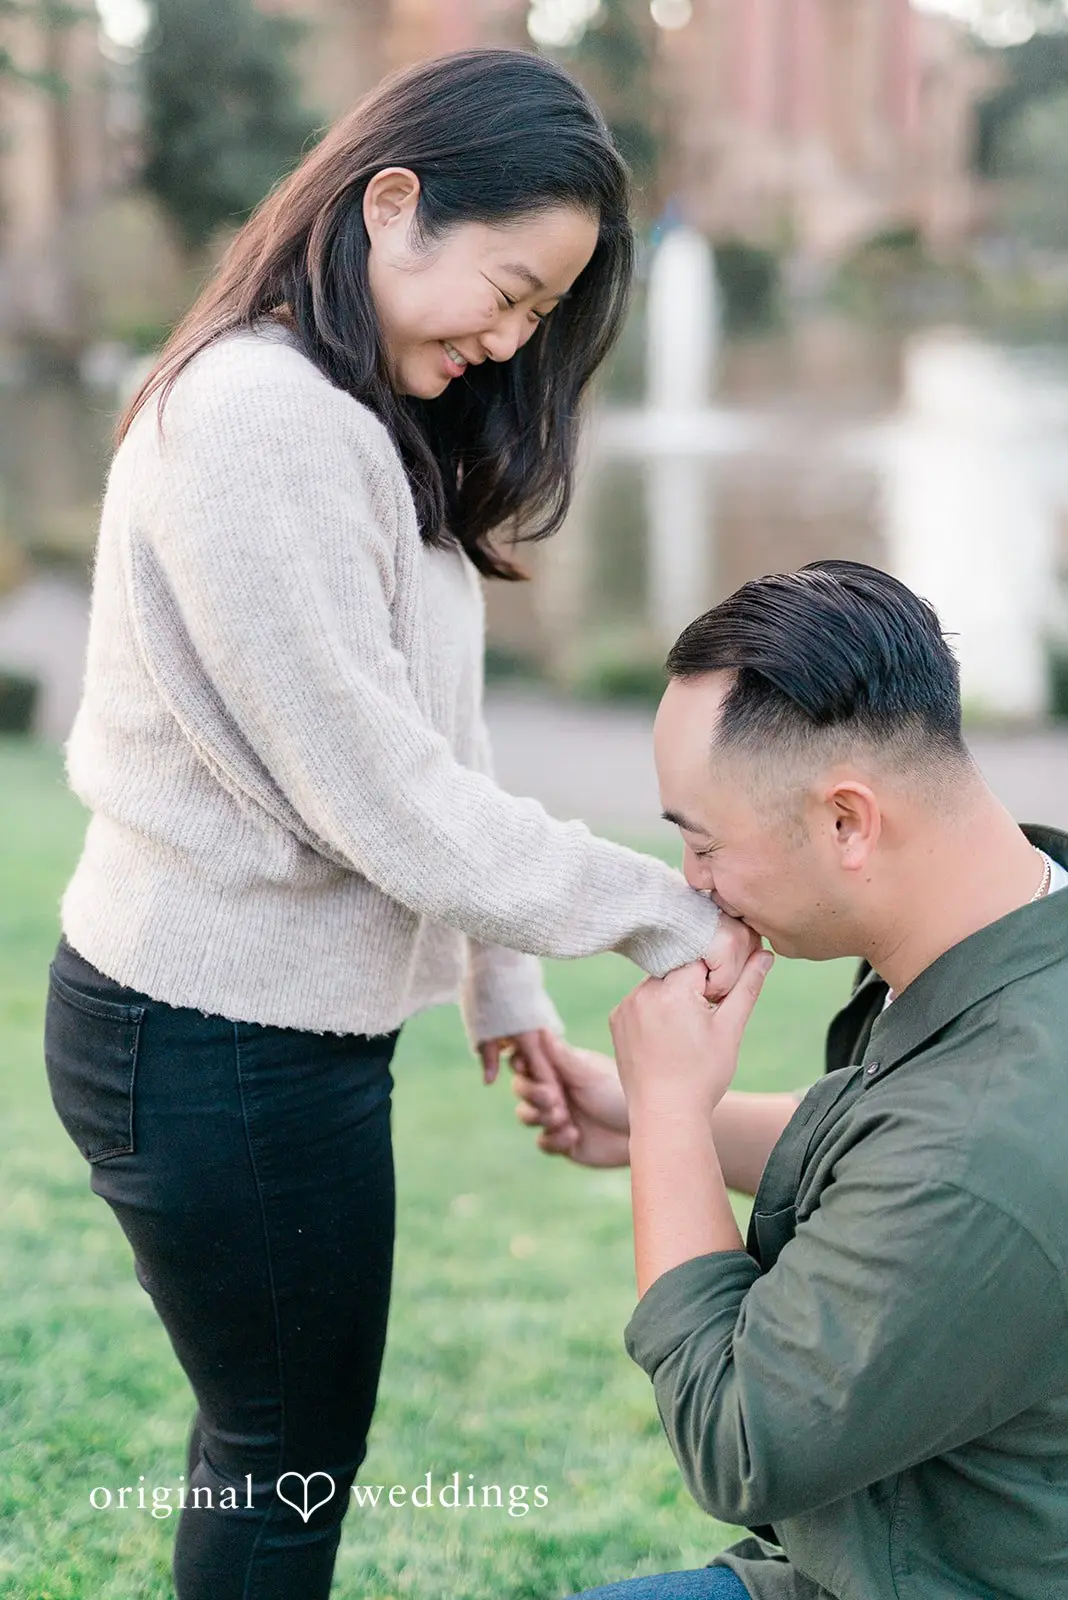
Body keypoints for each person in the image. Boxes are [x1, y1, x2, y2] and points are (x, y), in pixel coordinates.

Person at [40, 50, 756, 1600]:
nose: (507, 341)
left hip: (255, 1029)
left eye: (540, 318)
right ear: (391, 203)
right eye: (503, 290)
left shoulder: (350, 411)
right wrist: (662, 908)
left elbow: (433, 733)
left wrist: (499, 985)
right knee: (285, 1463)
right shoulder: (257, 421)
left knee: (277, 1448)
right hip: (213, 1032)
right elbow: (385, 797)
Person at [516, 560, 1068, 1600]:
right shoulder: (1011, 936)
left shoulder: (987, 1137)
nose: (693, 883)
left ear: (847, 821)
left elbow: (740, 1440)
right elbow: (884, 1162)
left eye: (703, 842)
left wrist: (674, 1117)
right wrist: (641, 1114)